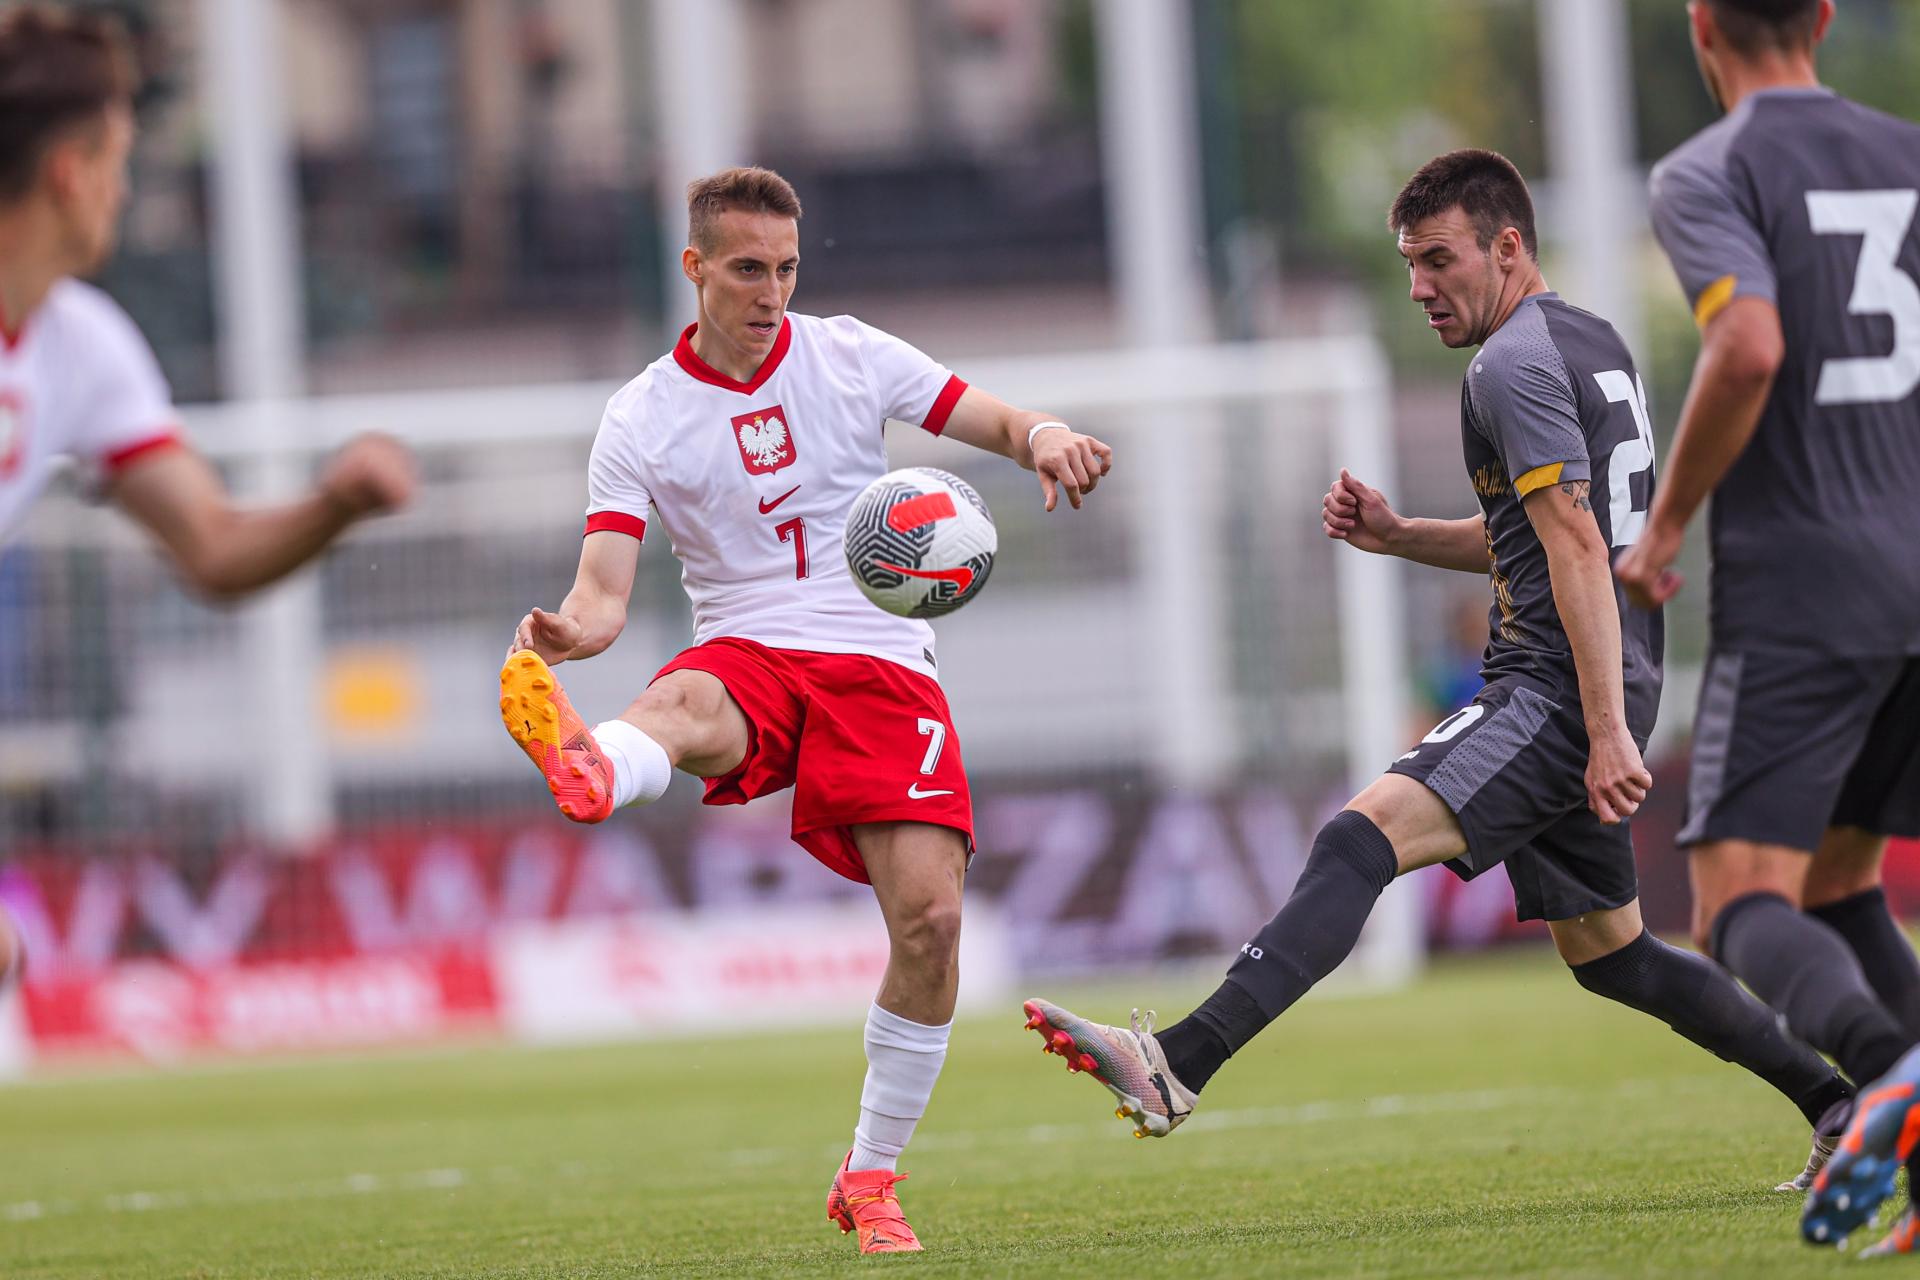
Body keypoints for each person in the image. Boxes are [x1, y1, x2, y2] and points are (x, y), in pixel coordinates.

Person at [1021, 149, 1853, 1188]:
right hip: (1597, 672)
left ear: (1508, 246)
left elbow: (1579, 548)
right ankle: (1838, 1101)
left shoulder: (1508, 365)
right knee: (1615, 954)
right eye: (1409, 262)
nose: (1419, 285)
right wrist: (1403, 532)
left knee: (1354, 839)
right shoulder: (1588, 338)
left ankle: (1176, 1060)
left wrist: (1600, 727)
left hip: (1555, 685)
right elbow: (1541, 530)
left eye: (1438, 259)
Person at [498, 165, 1111, 1255]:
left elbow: (993, 417)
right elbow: (603, 590)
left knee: (931, 922)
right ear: (694, 268)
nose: (771, 289)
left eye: (785, 266)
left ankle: (868, 1176)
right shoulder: (639, 414)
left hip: (881, 653)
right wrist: (564, 636)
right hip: (750, 640)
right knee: (684, 695)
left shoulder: (851, 353)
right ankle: (600, 764)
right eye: (746, 269)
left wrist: (1048, 435)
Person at [0, 0, 412, 972]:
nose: (124, 187)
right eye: (121, 160)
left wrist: (334, 504)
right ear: (71, 172)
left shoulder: (79, 345)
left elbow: (214, 546)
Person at [1609, 0, 1920, 1253]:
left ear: (1701, 27)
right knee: (1841, 881)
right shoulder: (1908, 150)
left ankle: (1891, 1076)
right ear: (1828, 17)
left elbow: (1747, 346)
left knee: (1733, 897)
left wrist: (1667, 522)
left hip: (1807, 578)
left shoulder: (1709, 168)